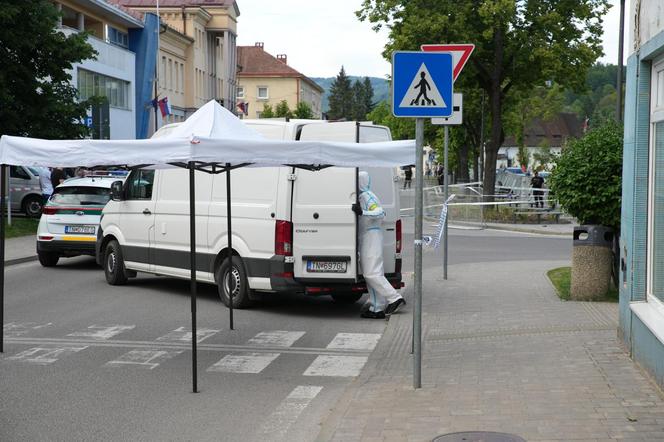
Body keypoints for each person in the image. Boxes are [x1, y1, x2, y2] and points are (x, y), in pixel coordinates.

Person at [352, 171, 405, 319]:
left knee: (372, 273)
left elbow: (380, 213)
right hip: (368, 236)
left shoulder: (367, 196)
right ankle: (377, 308)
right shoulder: (363, 196)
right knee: (371, 274)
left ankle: (395, 298)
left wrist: (362, 212)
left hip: (371, 236)